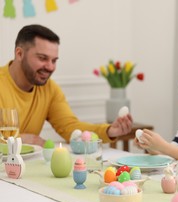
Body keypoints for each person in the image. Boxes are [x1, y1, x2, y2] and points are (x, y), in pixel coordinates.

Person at [0, 24, 133, 146]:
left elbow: (70, 127)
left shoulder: (49, 89)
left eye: (54, 60)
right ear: (19, 54)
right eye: (42, 58)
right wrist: (17, 140)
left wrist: (109, 130)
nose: (50, 67)